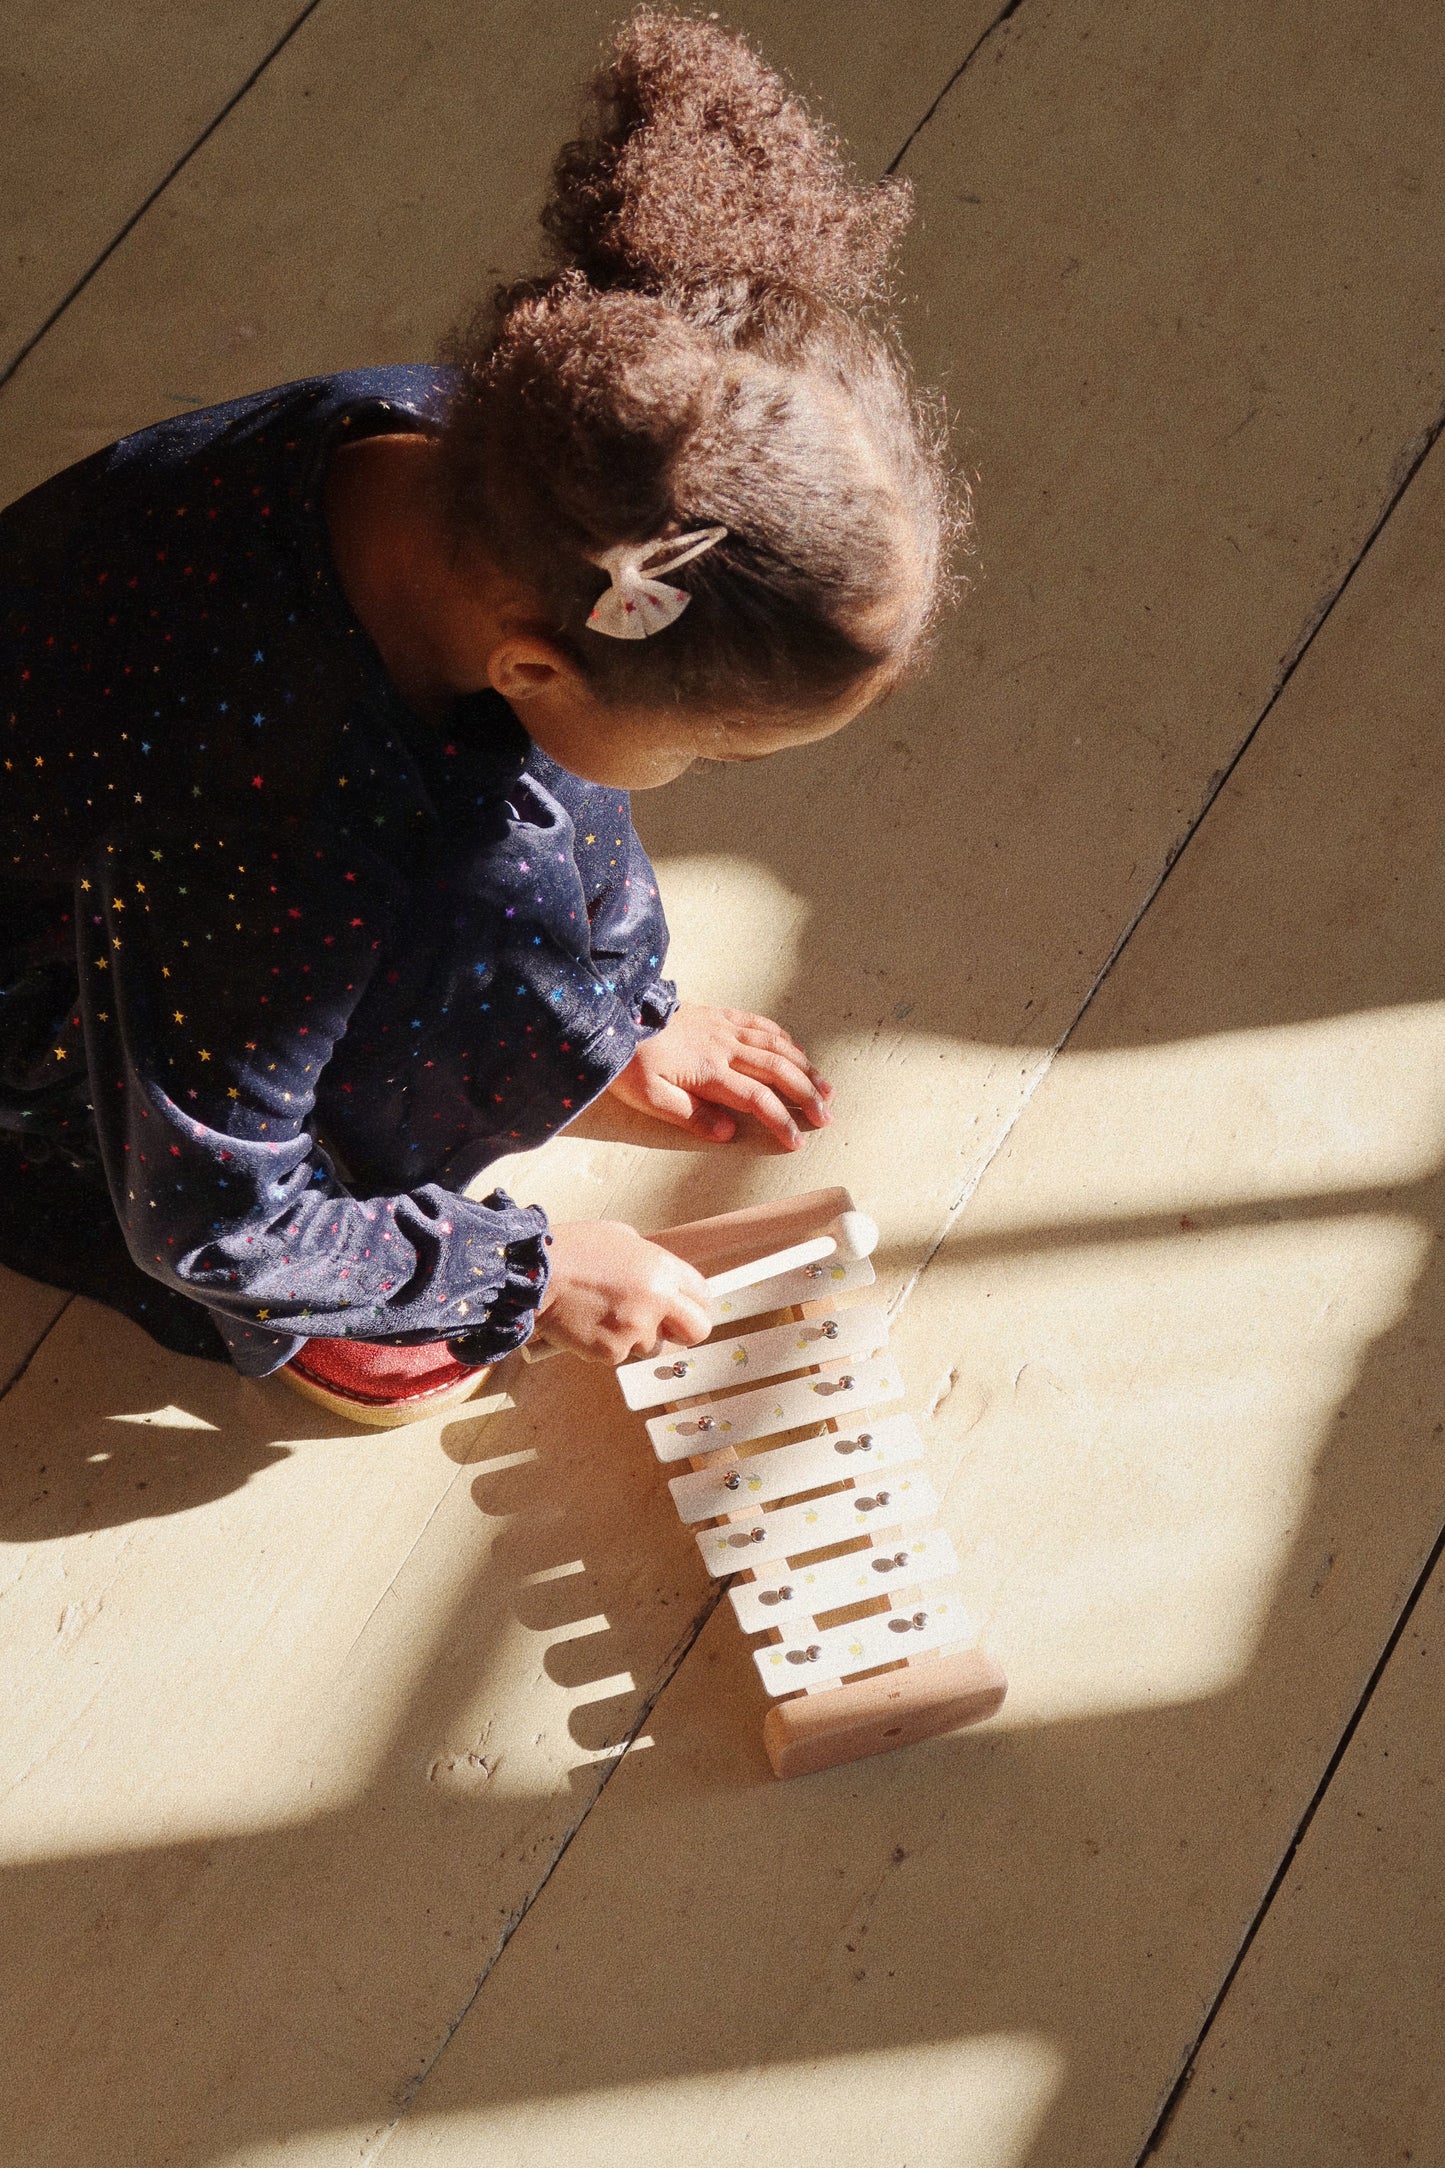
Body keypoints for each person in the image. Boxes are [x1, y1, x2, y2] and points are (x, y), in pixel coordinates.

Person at [0, 8, 960, 1423]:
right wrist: (513, 1269)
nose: (687, 773)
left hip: (192, 811)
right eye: (702, 745)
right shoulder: (270, 847)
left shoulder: (525, 463)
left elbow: (564, 781)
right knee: (348, 1012)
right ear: (532, 665)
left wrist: (611, 1018)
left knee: (520, 830)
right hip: (53, 970)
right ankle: (357, 1271)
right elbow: (207, 1210)